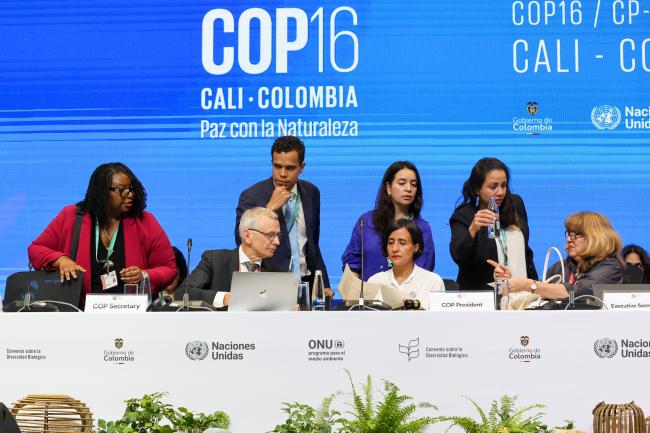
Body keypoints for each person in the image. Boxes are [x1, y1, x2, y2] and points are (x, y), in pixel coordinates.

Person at [28, 162, 177, 301]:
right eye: (121, 190)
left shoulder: (145, 221)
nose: (130, 194)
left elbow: (169, 269)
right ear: (102, 192)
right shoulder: (71, 216)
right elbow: (35, 249)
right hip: (81, 313)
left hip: (131, 315)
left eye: (131, 189)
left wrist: (144, 275)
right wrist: (60, 260)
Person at [235, 135, 331, 296]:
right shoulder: (251, 196)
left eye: (290, 168)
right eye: (277, 166)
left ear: (302, 167)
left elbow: (312, 243)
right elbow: (243, 241)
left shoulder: (311, 192)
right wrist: (270, 209)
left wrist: (323, 283)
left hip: (306, 284)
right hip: (268, 283)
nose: (282, 174)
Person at [491, 211, 623, 300]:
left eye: (576, 234)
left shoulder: (609, 267)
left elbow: (576, 293)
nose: (569, 239)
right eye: (568, 233)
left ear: (596, 237)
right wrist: (510, 279)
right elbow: (540, 297)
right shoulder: (559, 267)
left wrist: (528, 284)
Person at [449, 157, 537, 290]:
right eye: (493, 186)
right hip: (483, 297)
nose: (500, 192)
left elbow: (526, 252)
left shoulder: (516, 204)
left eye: (504, 185)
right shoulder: (464, 216)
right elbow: (459, 257)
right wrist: (472, 230)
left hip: (521, 293)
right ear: (478, 189)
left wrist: (535, 286)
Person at [341, 161, 435, 281]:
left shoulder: (422, 228)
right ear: (389, 188)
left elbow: (424, 272)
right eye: (402, 183)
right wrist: (354, 295)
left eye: (414, 184)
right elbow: (352, 265)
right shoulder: (366, 222)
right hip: (369, 296)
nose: (408, 189)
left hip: (407, 296)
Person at [182, 207, 281, 307]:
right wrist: (224, 298)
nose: (277, 242)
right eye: (270, 235)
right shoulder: (214, 260)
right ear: (247, 236)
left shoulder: (277, 271)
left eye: (277, 235)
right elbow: (183, 293)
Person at [368, 219, 443, 310]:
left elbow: (440, 321)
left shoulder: (432, 282)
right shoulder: (375, 281)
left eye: (402, 243)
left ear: (415, 247)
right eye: (390, 243)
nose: (395, 249)